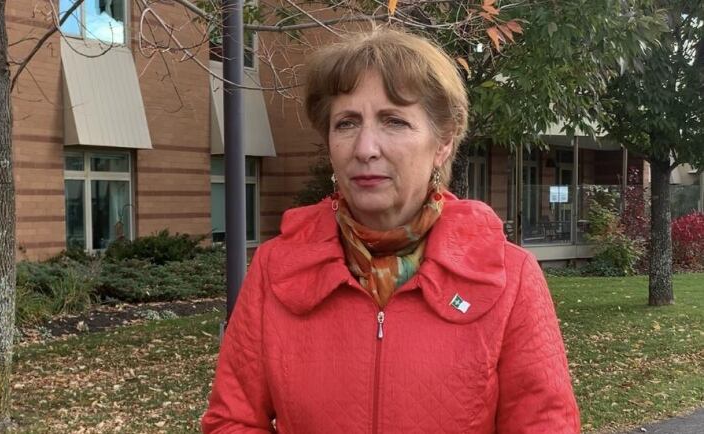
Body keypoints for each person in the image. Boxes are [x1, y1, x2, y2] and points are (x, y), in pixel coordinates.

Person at [202, 27, 580, 433]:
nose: (365, 148)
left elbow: (544, 424)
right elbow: (233, 420)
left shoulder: (510, 277)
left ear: (444, 143)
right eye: (346, 123)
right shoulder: (277, 268)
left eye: (394, 121)